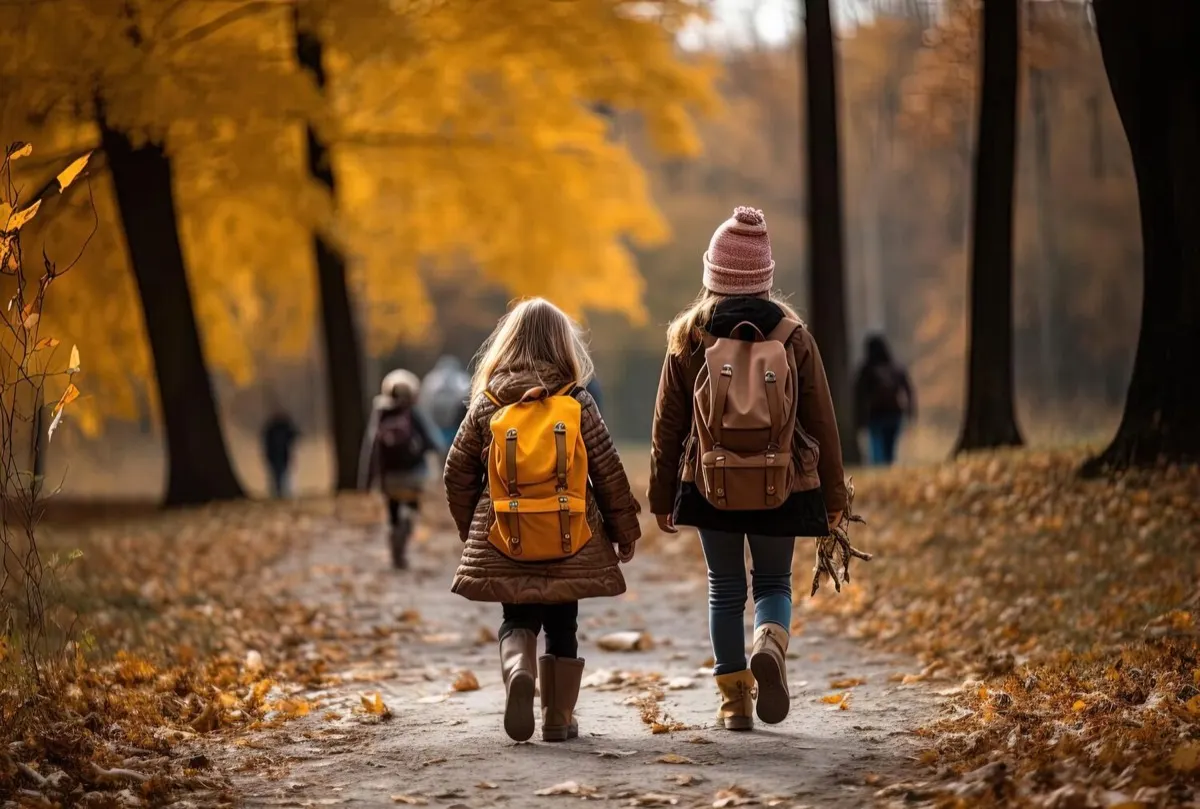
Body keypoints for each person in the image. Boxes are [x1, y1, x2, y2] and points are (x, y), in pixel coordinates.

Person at [648, 206, 847, 732]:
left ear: (712, 272)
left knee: (724, 587)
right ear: (766, 278)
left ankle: (734, 702)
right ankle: (770, 645)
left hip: (707, 482)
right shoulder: (792, 336)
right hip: (780, 482)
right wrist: (833, 496)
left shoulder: (688, 337)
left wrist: (661, 494)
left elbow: (667, 426)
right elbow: (821, 421)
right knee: (774, 583)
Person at [444, 298, 641, 743]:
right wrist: (624, 531)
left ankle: (518, 668)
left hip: (504, 535)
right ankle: (557, 717)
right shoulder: (578, 402)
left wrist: (472, 527)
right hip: (569, 535)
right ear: (562, 347)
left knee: (517, 617)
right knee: (562, 624)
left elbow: (456, 473)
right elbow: (608, 471)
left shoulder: (487, 403)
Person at [359, 369, 445, 569]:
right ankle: (406, 530)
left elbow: (371, 448)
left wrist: (365, 481)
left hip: (389, 476)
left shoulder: (380, 413)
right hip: (413, 474)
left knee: (393, 511)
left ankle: (395, 544)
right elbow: (434, 441)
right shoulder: (413, 412)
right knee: (412, 507)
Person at [853, 333, 915, 466]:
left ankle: (880, 469)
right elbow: (908, 390)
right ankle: (888, 467)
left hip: (876, 415)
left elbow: (859, 395)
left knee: (877, 447)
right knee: (890, 447)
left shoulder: (866, 370)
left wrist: (858, 419)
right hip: (895, 413)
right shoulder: (896, 367)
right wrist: (910, 411)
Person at [419, 355, 471, 451]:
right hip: (455, 426)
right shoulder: (462, 379)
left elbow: (424, 403)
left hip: (436, 425)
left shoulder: (430, 380)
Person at [261, 409, 300, 498]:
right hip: (279, 455)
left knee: (279, 474)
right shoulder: (279, 428)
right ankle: (280, 493)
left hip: (278, 455)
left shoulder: (272, 428)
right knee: (280, 474)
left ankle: (280, 492)